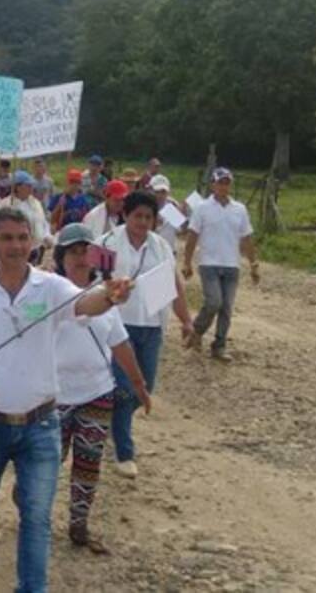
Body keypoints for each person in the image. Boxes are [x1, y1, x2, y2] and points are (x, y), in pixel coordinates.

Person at [0, 208, 133, 592]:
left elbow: (85, 304)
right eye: (7, 238)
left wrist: (109, 297)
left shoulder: (52, 288)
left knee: (37, 517)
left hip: (42, 425)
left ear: (33, 242)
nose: (16, 246)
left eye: (23, 238)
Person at [52, 222, 151, 554]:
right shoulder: (47, 293)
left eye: (85, 252)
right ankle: (32, 511)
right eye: (73, 253)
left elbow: (120, 343)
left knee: (88, 464)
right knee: (49, 462)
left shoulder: (107, 295)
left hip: (97, 393)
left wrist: (139, 384)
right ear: (61, 257)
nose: (80, 259)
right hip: (54, 397)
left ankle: (79, 524)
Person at [101, 191, 194, 479]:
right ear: (126, 215)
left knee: (145, 389)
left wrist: (186, 320)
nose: (142, 222)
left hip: (153, 325)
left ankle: (113, 422)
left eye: (148, 217)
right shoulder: (107, 243)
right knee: (124, 387)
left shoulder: (162, 247)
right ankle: (124, 451)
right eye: (137, 215)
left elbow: (174, 284)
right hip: (119, 325)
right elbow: (94, 281)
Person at [181, 167, 259, 362]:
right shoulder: (202, 208)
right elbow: (192, 236)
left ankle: (219, 346)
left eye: (227, 182)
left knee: (226, 308)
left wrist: (253, 263)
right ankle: (197, 330)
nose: (224, 186)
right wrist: (187, 262)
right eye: (220, 182)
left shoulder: (239, 209)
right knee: (214, 301)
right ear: (213, 184)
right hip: (209, 263)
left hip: (232, 264)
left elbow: (247, 238)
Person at [0, 171, 51, 265]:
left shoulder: (36, 203)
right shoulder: (6, 205)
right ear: (18, 187)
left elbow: (43, 222)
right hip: (17, 250)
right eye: (28, 185)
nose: (31, 188)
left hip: (36, 248)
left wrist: (47, 235)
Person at [148, 175, 183, 251]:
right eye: (157, 192)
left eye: (163, 192)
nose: (160, 195)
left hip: (169, 251)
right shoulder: (145, 206)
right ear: (150, 190)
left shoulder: (173, 206)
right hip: (150, 250)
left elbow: (181, 232)